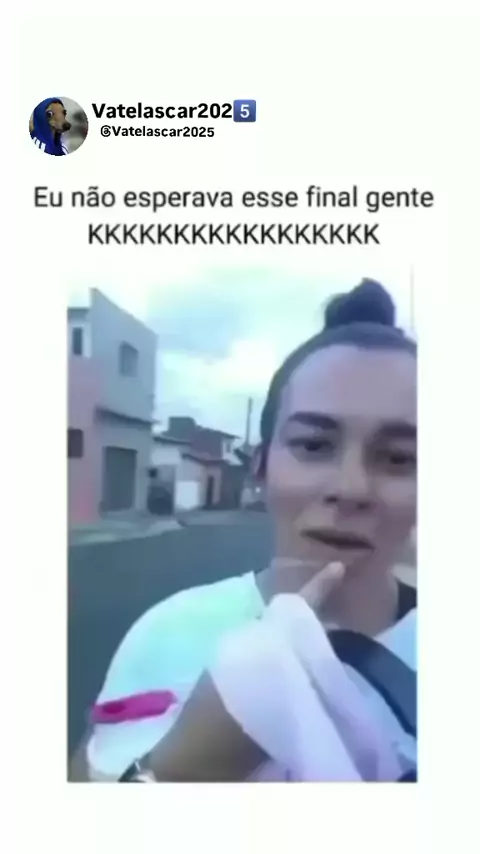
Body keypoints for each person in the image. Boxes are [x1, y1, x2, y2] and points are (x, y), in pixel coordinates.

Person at [70, 278, 417, 782]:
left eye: (400, 458)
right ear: (260, 466)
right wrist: (177, 770)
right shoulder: (166, 632)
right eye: (313, 445)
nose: (351, 488)